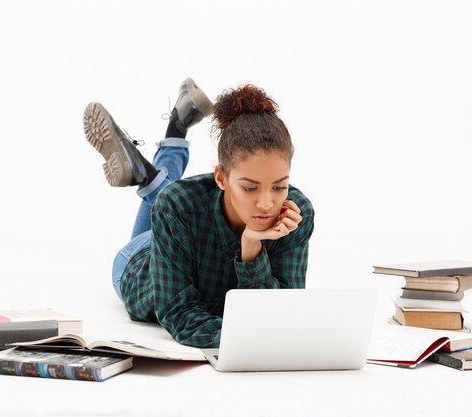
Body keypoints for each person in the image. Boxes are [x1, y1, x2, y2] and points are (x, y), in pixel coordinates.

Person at [82, 78, 315, 348]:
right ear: (221, 178)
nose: (266, 203)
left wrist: (251, 246)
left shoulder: (295, 214)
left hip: (182, 222)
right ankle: (151, 174)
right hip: (140, 262)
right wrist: (248, 339)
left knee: (171, 200)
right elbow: (178, 313)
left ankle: (165, 149)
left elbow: (282, 313)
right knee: (171, 202)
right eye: (250, 188)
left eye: (279, 186)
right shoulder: (177, 206)